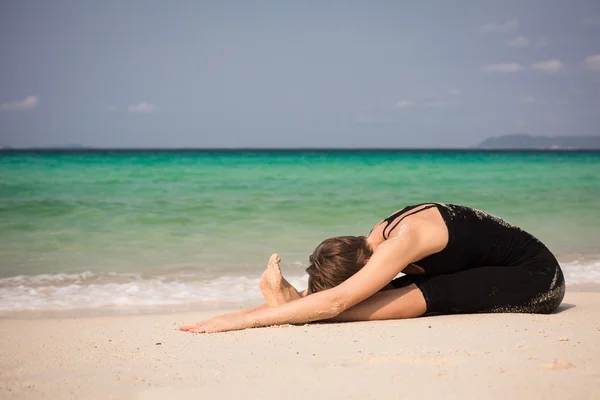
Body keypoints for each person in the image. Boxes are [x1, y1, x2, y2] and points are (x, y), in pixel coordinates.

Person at [180, 203, 565, 334]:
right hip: (482, 267)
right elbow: (342, 291)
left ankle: (290, 307)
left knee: (366, 307)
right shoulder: (378, 235)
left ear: (364, 266)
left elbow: (339, 300)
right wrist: (245, 311)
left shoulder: (402, 242)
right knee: (382, 296)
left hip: (535, 280)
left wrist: (238, 321)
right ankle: (293, 303)